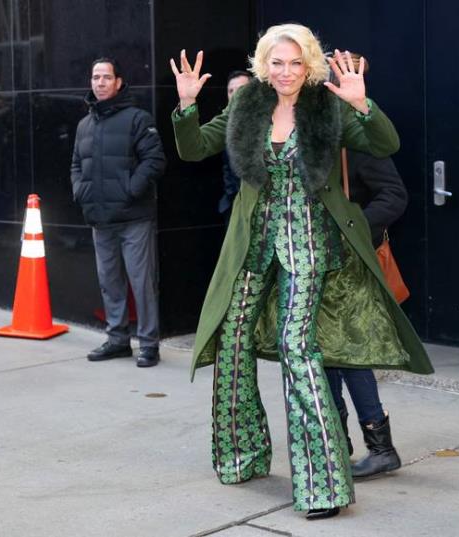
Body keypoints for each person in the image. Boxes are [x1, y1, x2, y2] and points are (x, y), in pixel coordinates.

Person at [170, 23, 433, 520]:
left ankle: (322, 483)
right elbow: (194, 148)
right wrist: (186, 106)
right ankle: (243, 456)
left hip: (309, 245)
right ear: (263, 65)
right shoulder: (247, 106)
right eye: (277, 62)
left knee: (296, 347)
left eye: (295, 63)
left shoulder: (326, 106)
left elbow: (385, 144)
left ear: (309, 64)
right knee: (233, 342)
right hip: (253, 246)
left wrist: (362, 103)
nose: (286, 72)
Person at [325, 52, 410, 479]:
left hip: (351, 265)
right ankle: (338, 443)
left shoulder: (356, 137)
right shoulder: (308, 135)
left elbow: (394, 196)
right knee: (326, 356)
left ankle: (378, 446)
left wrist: (349, 228)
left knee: (347, 355)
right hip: (316, 263)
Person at [70, 57, 166, 367]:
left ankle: (149, 344)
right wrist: (80, 191)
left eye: (106, 77)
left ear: (118, 82)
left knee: (142, 283)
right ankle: (117, 340)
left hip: (134, 218)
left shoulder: (137, 118)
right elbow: (76, 164)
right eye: (95, 77)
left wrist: (129, 191)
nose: (100, 82)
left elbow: (155, 160)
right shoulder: (85, 124)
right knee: (109, 282)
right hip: (100, 218)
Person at [218, 71, 252, 225]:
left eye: (240, 90)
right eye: (231, 91)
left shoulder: (271, 119)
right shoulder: (225, 123)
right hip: (234, 207)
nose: (235, 95)